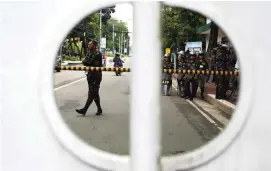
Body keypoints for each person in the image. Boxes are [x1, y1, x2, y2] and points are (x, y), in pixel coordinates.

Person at [75, 40, 103, 116]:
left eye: (90, 44)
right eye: (88, 44)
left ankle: (84, 110)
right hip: (90, 74)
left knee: (91, 93)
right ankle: (99, 109)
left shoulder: (98, 54)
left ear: (94, 45)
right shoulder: (89, 53)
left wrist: (88, 62)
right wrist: (88, 62)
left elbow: (95, 63)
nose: (88, 45)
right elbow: (84, 62)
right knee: (95, 93)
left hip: (96, 75)